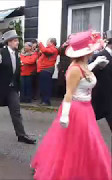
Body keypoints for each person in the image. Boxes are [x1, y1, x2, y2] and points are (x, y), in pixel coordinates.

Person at [31, 30, 111, 180]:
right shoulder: (75, 69)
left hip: (86, 109)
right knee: (75, 143)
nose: (93, 52)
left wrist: (96, 63)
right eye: (91, 50)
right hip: (77, 110)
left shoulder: (83, 65)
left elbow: (85, 74)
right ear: (85, 53)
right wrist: (65, 115)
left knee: (88, 142)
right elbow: (68, 93)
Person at [0, 30, 36, 144]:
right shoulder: (0, 53)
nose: (17, 42)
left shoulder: (17, 54)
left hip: (12, 89)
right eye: (15, 40)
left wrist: (17, 88)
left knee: (16, 111)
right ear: (8, 42)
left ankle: (21, 135)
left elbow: (16, 72)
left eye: (17, 40)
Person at [91, 30, 112, 132]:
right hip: (101, 99)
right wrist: (97, 67)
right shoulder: (99, 56)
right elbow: (88, 74)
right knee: (87, 128)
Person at [37, 38, 59, 106]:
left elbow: (45, 50)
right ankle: (44, 100)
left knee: (46, 86)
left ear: (51, 42)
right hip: (43, 69)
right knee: (43, 86)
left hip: (47, 69)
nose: (46, 42)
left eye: (47, 41)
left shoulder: (53, 49)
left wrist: (40, 43)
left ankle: (46, 101)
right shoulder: (50, 48)